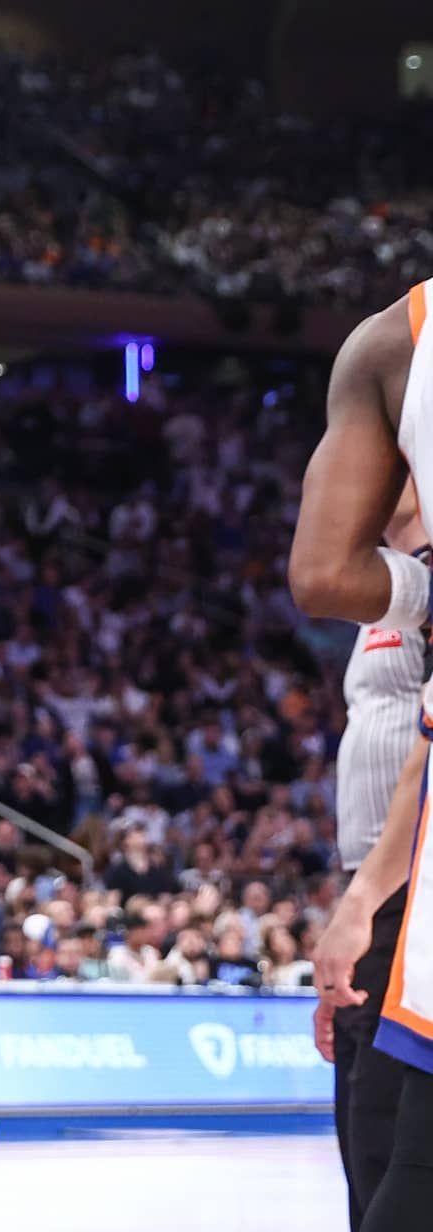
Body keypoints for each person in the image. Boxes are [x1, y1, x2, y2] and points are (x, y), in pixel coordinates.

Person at [292, 280, 433, 1232]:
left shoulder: (410, 593)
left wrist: (371, 898)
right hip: (383, 889)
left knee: (393, 1170)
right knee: (371, 1159)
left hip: (409, 894)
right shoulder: (392, 600)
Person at [311, 491, 430, 1229]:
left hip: (412, 886)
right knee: (364, 1141)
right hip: (371, 878)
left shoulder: (421, 578)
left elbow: (425, 750)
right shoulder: (382, 579)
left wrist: (368, 903)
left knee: (390, 1151)